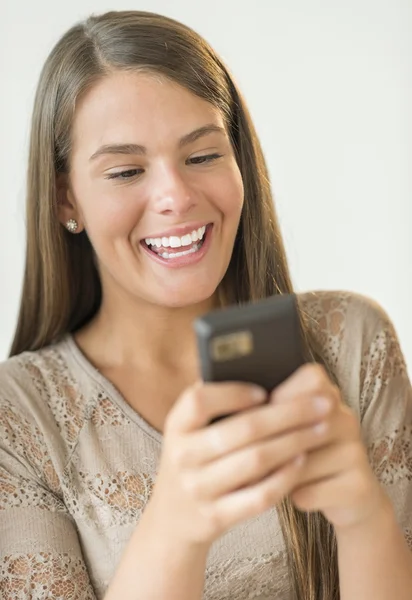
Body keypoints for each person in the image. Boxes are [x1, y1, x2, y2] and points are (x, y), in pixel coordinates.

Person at [0, 9, 411, 600]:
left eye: (201, 156)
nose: (175, 195)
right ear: (68, 199)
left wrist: (363, 517)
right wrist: (175, 530)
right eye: (125, 170)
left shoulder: (352, 344)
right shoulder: (19, 424)